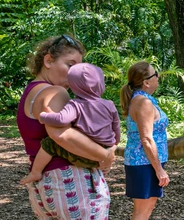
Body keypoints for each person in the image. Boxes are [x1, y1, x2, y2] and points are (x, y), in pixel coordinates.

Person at [17, 34, 115, 219]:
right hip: (72, 183)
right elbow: (62, 135)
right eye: (70, 65)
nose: (74, 74)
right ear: (48, 61)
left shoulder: (30, 92)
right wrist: (105, 155)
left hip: (44, 187)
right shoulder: (56, 91)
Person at [20, 62, 121, 185]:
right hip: (105, 149)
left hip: (86, 154)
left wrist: (44, 116)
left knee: (49, 143)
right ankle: (102, 169)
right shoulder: (109, 104)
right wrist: (114, 143)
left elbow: (61, 119)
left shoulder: (75, 105)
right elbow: (116, 126)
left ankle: (36, 171)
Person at [120, 61, 170, 220]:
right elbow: (147, 139)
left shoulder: (142, 100)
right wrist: (159, 170)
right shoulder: (144, 103)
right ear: (146, 82)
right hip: (144, 163)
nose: (158, 76)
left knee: (146, 209)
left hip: (146, 163)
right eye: (155, 74)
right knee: (142, 212)